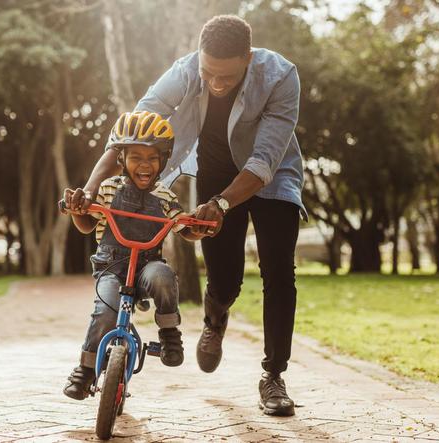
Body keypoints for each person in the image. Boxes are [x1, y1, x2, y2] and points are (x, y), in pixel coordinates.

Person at [69, 15, 306, 416]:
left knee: (279, 271)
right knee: (225, 280)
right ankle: (215, 318)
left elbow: (264, 160)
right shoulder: (184, 71)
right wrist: (91, 187)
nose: (216, 83)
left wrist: (223, 204)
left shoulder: (280, 77)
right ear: (199, 56)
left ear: (248, 58)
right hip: (216, 173)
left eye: (227, 76)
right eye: (208, 73)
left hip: (273, 175)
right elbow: (131, 131)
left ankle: (273, 376)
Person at [62, 111, 206, 401]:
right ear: (122, 159)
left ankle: (169, 333)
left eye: (152, 158)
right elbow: (87, 224)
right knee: (105, 311)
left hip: (146, 267)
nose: (144, 164)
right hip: (111, 267)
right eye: (136, 157)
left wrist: (198, 227)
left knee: (163, 276)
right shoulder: (107, 188)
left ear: (163, 160)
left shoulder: (165, 196)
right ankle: (86, 369)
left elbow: (183, 227)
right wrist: (78, 210)